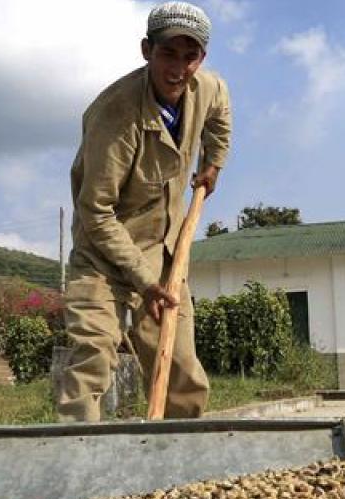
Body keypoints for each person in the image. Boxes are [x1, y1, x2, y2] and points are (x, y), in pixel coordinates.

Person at [57, 2, 231, 422]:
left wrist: (213, 162)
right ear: (146, 51)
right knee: (92, 357)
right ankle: (74, 464)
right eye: (168, 53)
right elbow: (96, 211)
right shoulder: (114, 116)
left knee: (180, 367)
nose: (178, 68)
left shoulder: (208, 89)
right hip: (103, 252)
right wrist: (144, 281)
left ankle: (180, 465)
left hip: (164, 249)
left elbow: (220, 119)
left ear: (201, 59)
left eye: (190, 57)